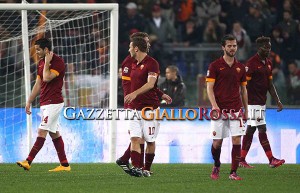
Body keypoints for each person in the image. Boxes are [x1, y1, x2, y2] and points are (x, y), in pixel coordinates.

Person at [116, 32, 171, 176]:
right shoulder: (129, 63)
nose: (149, 45)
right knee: (135, 138)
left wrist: (159, 94)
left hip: (150, 108)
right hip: (133, 107)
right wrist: (130, 100)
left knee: (149, 140)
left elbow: (150, 84)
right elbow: (128, 85)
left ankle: (145, 167)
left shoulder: (152, 63)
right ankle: (136, 169)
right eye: (146, 42)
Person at [16, 38, 70, 172]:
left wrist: (47, 63)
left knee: (42, 131)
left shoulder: (58, 62)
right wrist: (29, 101)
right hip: (45, 102)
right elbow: (39, 83)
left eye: (39, 50)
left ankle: (28, 161)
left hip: (54, 102)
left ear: (46, 50)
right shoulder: (41, 63)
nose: (37, 52)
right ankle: (64, 165)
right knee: (54, 133)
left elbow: (47, 77)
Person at [206, 34, 248, 180]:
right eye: (229, 46)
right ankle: (217, 164)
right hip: (220, 110)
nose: (232, 48)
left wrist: (246, 109)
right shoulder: (215, 66)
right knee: (217, 143)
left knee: (237, 140)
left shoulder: (241, 67)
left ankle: (233, 172)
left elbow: (243, 90)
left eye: (234, 45)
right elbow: (209, 88)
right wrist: (214, 106)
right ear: (223, 47)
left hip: (236, 109)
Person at [239, 36, 285, 168]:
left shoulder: (269, 63)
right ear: (259, 48)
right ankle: (271, 159)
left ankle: (241, 159)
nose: (269, 49)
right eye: (266, 47)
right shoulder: (251, 63)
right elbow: (243, 84)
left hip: (261, 101)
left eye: (270, 47)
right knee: (262, 128)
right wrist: (244, 103)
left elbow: (270, 84)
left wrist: (278, 100)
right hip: (253, 102)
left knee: (251, 130)